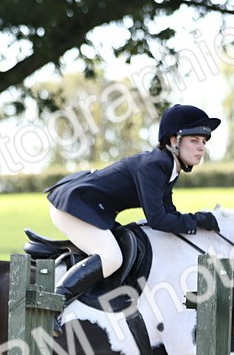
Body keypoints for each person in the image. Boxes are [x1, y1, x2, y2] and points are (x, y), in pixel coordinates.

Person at [43, 104, 222, 335]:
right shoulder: (155, 166)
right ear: (174, 140)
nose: (201, 148)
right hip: (73, 206)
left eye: (204, 142)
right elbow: (158, 219)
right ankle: (51, 307)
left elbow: (170, 213)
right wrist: (197, 220)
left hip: (91, 208)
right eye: (195, 140)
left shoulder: (168, 168)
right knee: (111, 257)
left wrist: (195, 222)